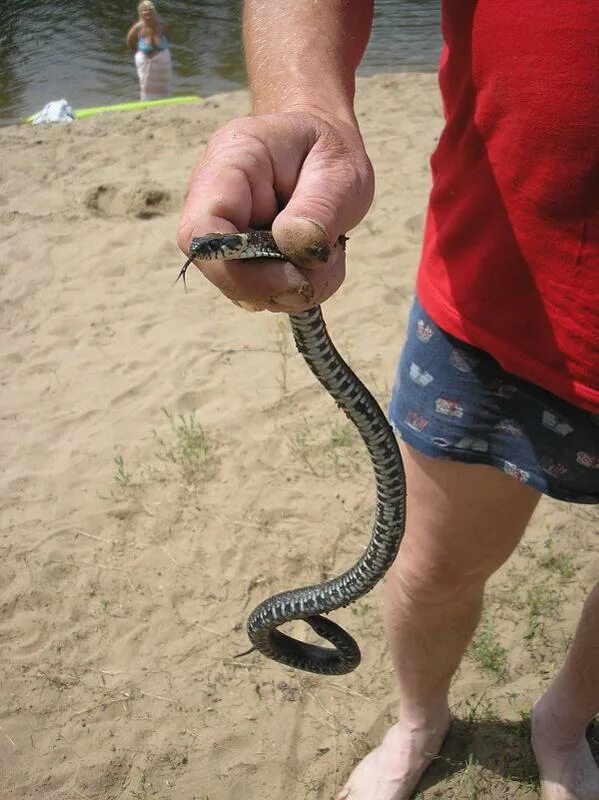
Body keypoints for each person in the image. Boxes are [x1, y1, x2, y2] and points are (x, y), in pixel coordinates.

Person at [177, 2, 599, 799]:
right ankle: (418, 720)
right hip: (492, 307)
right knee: (432, 565)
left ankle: (565, 721)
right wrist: (304, 105)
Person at [126, 1, 172, 101]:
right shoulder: (138, 27)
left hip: (162, 59)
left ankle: (165, 101)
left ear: (154, 11)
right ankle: (146, 102)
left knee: (163, 83)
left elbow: (168, 38)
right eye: (144, 10)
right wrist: (138, 53)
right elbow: (129, 41)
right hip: (144, 60)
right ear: (140, 13)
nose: (147, 12)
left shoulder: (162, 25)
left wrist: (160, 50)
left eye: (149, 10)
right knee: (145, 84)